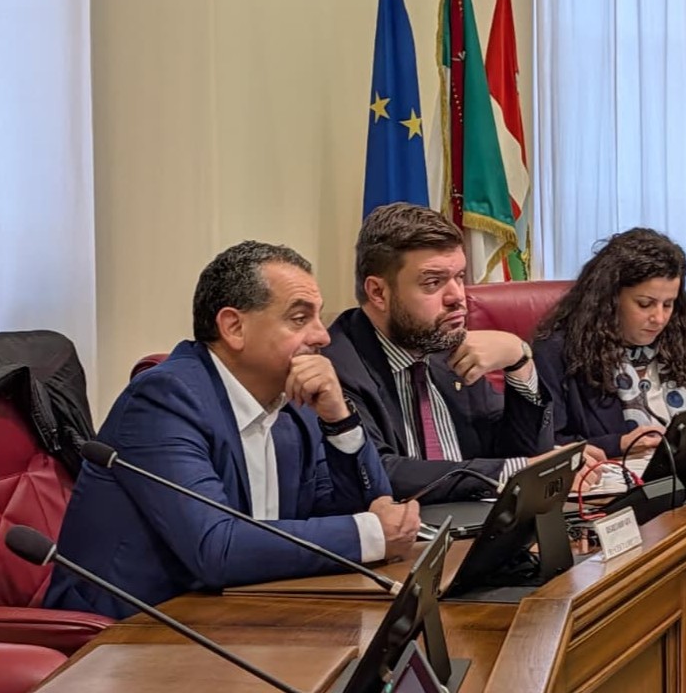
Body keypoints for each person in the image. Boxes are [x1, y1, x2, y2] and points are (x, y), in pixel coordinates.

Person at [45, 241, 419, 619]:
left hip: (242, 612)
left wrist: (339, 418)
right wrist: (370, 535)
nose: (323, 337)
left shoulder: (293, 403)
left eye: (318, 318)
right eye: (299, 318)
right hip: (128, 631)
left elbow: (363, 508)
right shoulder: (164, 400)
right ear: (234, 327)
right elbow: (215, 548)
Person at [324, 202, 575, 505]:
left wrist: (519, 361)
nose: (458, 296)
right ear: (378, 292)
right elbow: (380, 471)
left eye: (459, 276)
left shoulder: (446, 345)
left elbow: (520, 451)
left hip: (475, 522)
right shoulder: (336, 365)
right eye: (433, 282)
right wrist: (511, 472)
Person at [533, 228, 686, 460]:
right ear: (610, 299)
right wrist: (617, 444)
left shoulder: (675, 341)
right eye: (645, 304)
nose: (659, 318)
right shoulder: (557, 351)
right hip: (611, 476)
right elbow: (545, 445)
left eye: (668, 304)